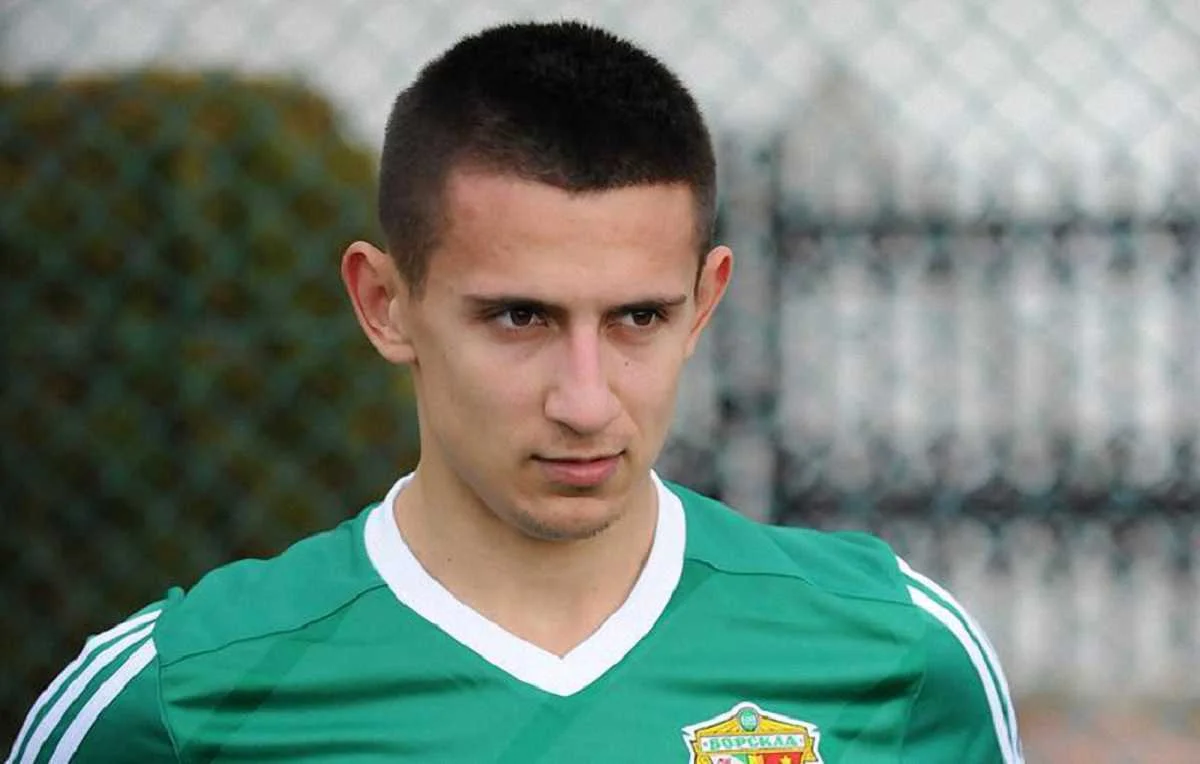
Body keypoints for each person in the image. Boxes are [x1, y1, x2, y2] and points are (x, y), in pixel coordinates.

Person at [8, 20, 1022, 763]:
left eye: (638, 317)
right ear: (385, 304)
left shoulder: (900, 656)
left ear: (705, 301)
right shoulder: (175, 700)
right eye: (520, 318)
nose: (586, 401)